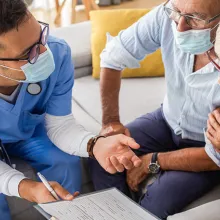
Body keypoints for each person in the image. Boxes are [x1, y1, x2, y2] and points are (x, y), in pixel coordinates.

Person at [0, 1, 142, 219]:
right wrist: (27, 188)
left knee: (66, 162)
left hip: (30, 133)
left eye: (41, 37)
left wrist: (96, 145)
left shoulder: (58, 53)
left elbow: (61, 125)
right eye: (29, 52)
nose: (45, 51)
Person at [89, 0, 220, 219]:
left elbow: (215, 156)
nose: (180, 26)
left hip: (206, 149)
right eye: (177, 12)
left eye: (196, 18)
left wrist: (153, 161)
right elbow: (113, 56)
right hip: (167, 120)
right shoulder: (166, 14)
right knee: (105, 155)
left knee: (159, 199)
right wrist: (110, 122)